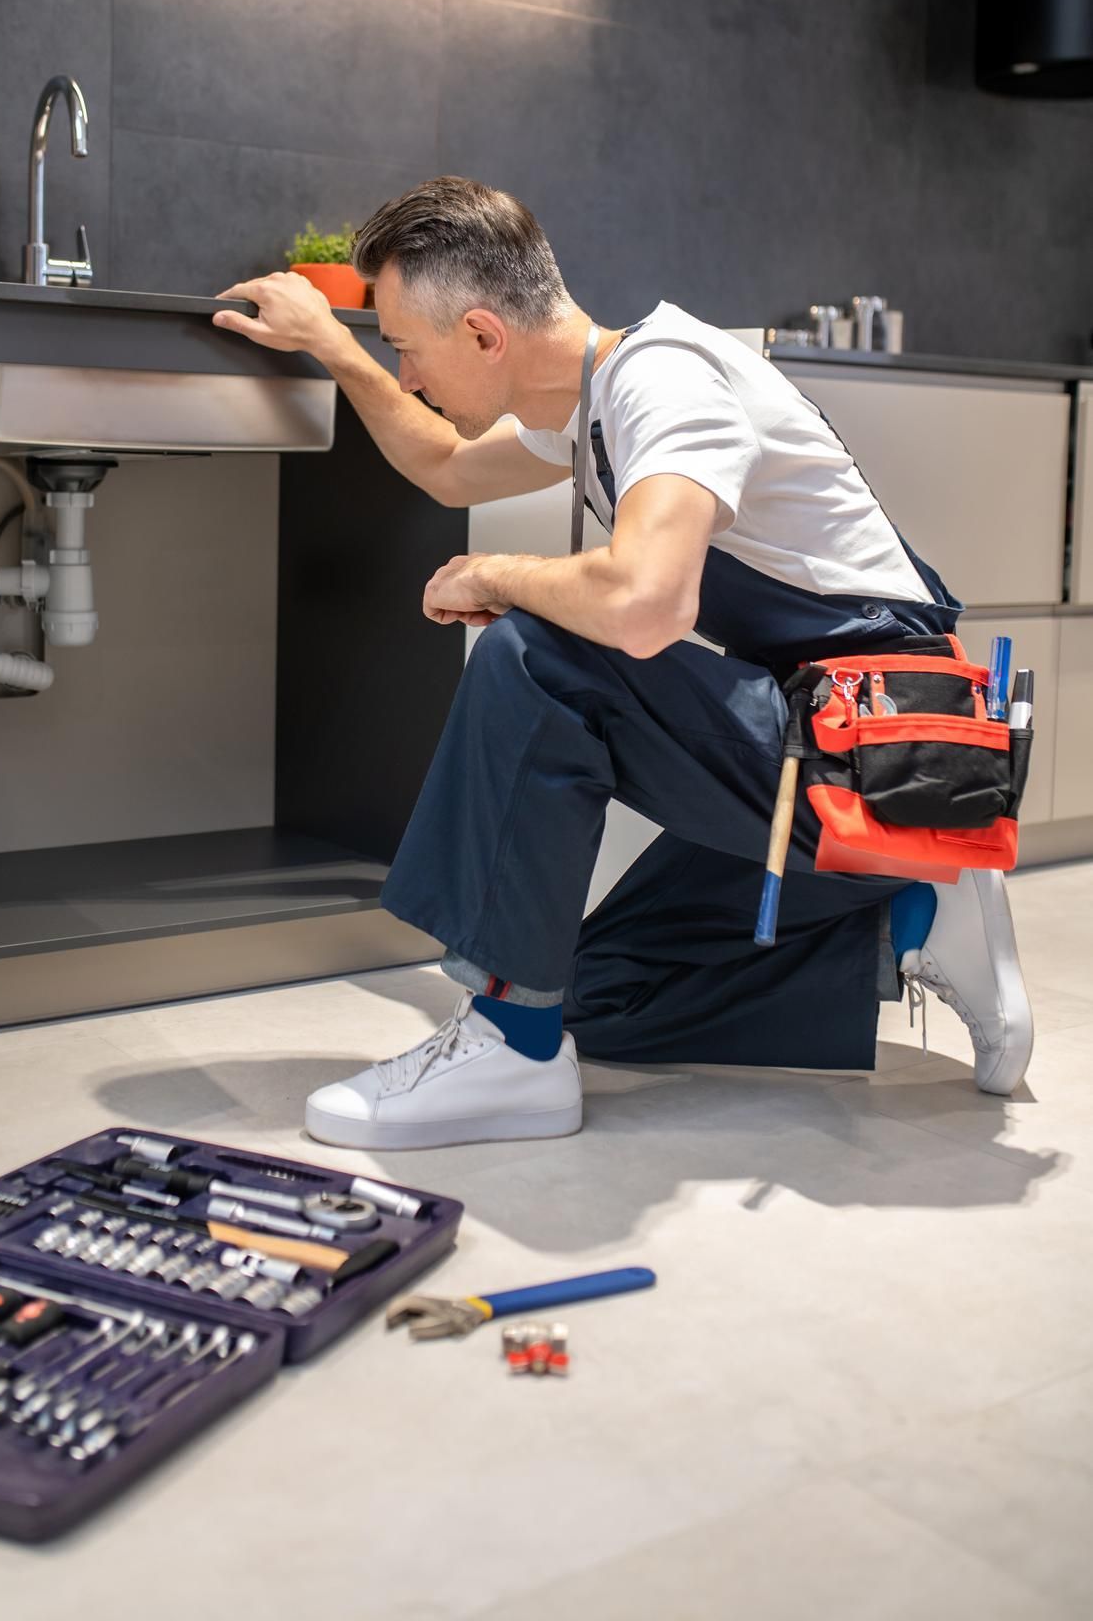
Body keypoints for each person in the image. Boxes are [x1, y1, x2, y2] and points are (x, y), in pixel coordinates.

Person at [212, 176, 1034, 1151]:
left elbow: (647, 604)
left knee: (541, 651)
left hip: (890, 745)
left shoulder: (667, 380)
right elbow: (442, 461)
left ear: (482, 333)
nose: (411, 369)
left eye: (407, 346)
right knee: (597, 993)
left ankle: (506, 1047)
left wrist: (498, 573)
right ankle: (908, 915)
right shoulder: (589, 406)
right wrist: (333, 344)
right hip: (811, 738)